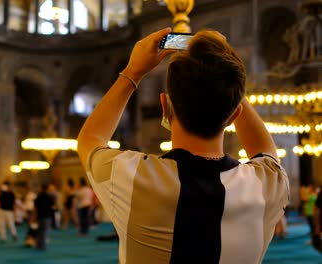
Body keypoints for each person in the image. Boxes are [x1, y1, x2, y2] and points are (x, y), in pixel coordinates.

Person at [77, 28, 289, 263]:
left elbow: (90, 139)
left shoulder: (133, 177)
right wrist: (225, 79)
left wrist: (132, 72)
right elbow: (265, 150)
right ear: (234, 114)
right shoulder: (266, 185)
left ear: (165, 106)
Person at [34, 184, 55, 250]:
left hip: (40, 215)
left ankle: (38, 244)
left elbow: (35, 206)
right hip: (47, 216)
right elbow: (52, 206)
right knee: (45, 231)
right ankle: (42, 245)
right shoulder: (49, 196)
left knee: (39, 231)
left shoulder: (38, 196)